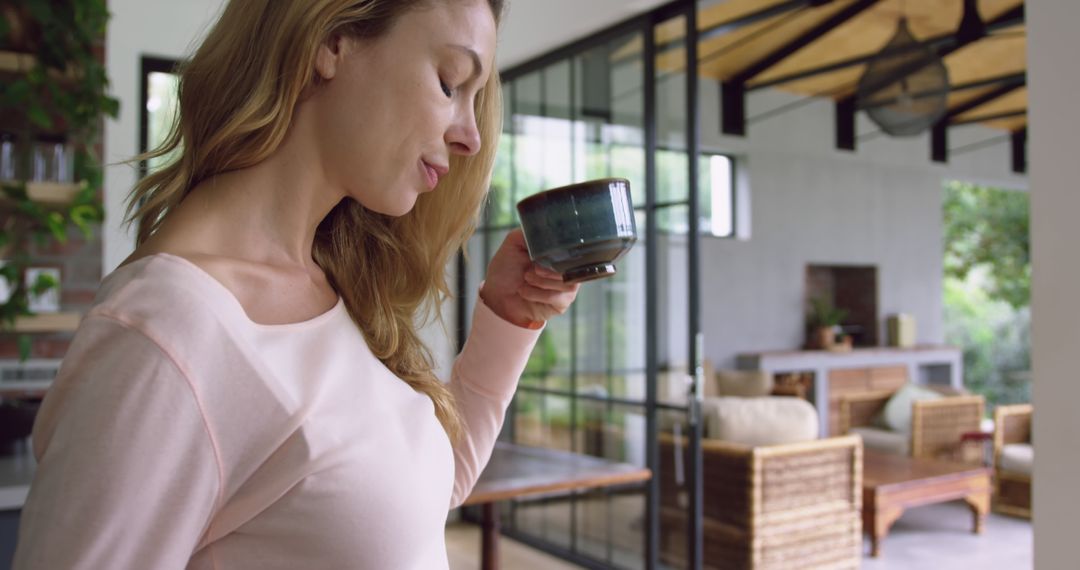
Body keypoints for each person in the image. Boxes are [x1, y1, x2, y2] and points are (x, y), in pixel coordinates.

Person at [12, 0, 580, 568]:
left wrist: (508, 315)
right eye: (451, 82)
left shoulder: (328, 286)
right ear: (332, 41)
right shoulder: (166, 337)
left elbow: (407, 498)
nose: (471, 137)